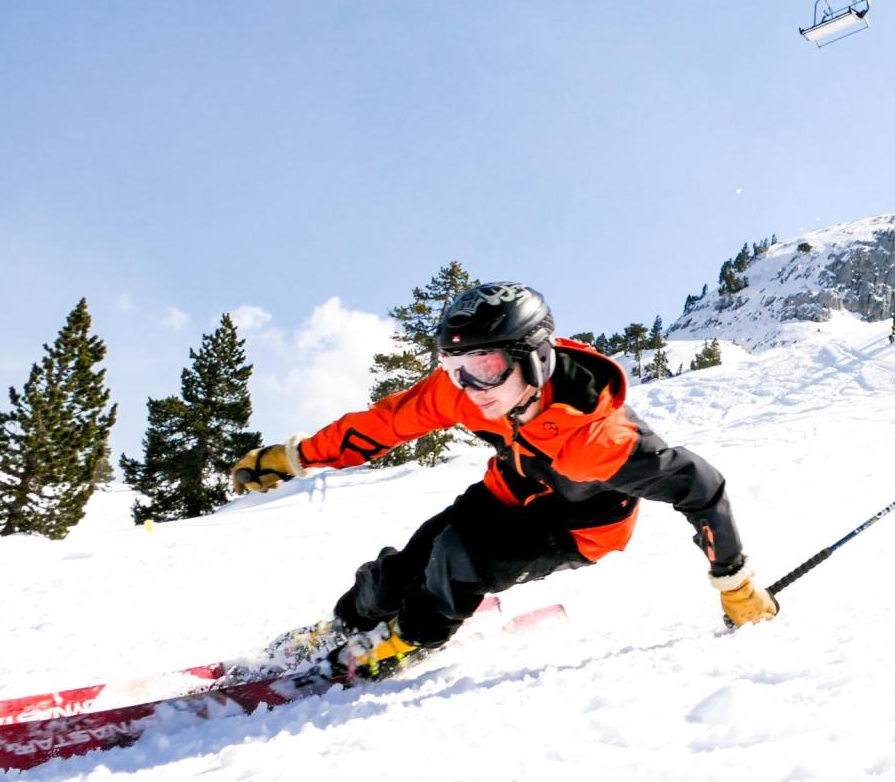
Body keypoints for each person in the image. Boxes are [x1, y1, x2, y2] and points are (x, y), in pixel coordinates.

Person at [229, 282, 776, 674]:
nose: (468, 386)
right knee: (410, 562)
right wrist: (297, 457)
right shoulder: (470, 393)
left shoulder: (599, 441)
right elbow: (385, 424)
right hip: (506, 493)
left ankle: (407, 639)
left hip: (576, 530)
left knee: (459, 560)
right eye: (454, 369)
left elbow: (702, 487)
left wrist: (735, 584)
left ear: (533, 358)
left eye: (484, 367)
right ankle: (349, 622)